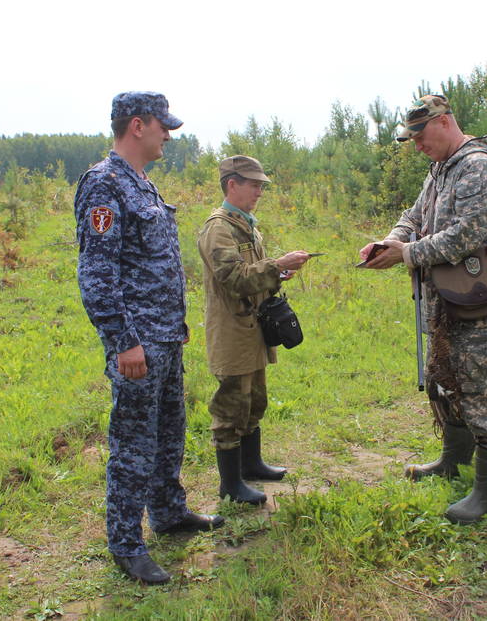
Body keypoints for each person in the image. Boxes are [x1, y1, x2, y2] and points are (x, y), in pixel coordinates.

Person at [75, 92, 224, 585]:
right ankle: (125, 542)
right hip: (138, 343)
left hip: (164, 338)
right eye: (164, 126)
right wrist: (124, 342)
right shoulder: (104, 185)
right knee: (133, 443)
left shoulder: (143, 184)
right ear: (137, 126)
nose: (169, 135)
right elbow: (97, 274)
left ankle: (168, 513)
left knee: (167, 433)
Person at [361, 94, 487, 524]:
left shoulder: (478, 166)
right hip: (443, 301)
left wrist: (405, 254)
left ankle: (486, 493)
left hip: (472, 301)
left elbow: (466, 235)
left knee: (475, 392)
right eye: (410, 138)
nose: (416, 146)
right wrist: (391, 240)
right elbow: (414, 215)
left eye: (420, 135)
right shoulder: (440, 169)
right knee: (443, 382)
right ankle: (452, 462)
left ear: (444, 122)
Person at [197, 156, 310, 505]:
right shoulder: (219, 228)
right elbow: (233, 280)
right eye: (254, 184)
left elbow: (252, 272)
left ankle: (251, 465)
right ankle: (230, 485)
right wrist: (278, 265)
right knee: (232, 405)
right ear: (233, 184)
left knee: (254, 399)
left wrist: (278, 274)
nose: (260, 190)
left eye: (261, 184)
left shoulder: (245, 225)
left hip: (252, 330)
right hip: (233, 332)